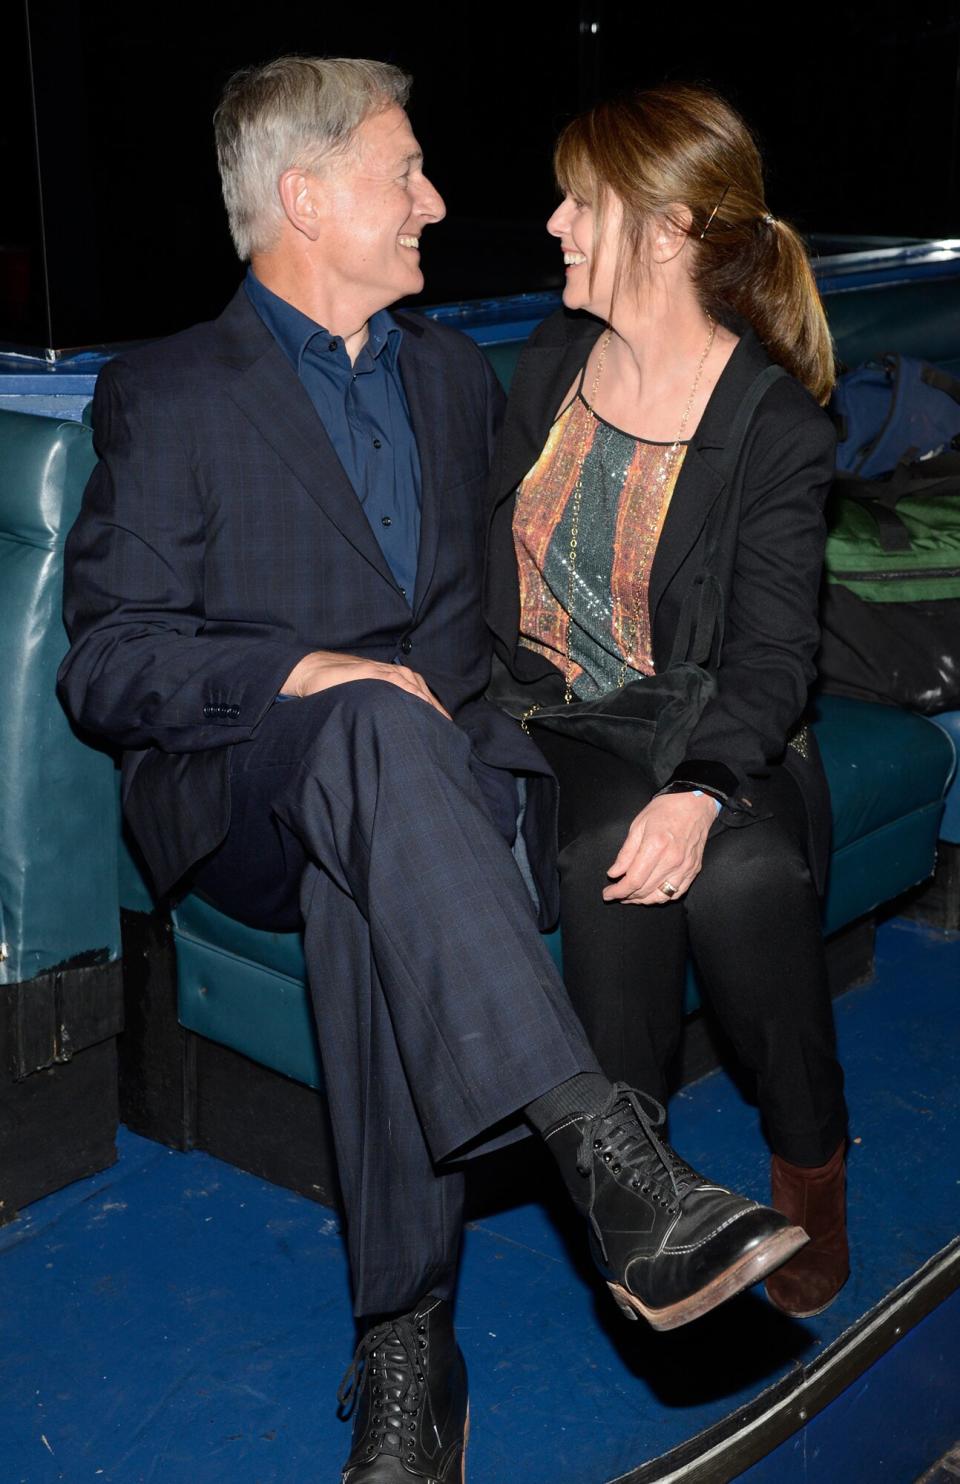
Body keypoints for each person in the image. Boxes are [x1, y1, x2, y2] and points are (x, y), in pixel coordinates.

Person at [57, 59, 803, 1484]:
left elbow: (573, 546)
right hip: (248, 794)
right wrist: (299, 672)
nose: (438, 203)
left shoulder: (459, 377)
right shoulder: (169, 392)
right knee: (362, 739)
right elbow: (107, 663)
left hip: (450, 792)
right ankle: (608, 1152)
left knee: (376, 851)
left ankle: (410, 1338)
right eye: (406, 173)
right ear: (306, 196)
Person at [485, 83, 849, 1323]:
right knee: (603, 851)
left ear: (668, 230)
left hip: (713, 725)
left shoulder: (774, 425)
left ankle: (813, 1171)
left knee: (741, 874)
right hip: (559, 719)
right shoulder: (546, 361)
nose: (554, 224)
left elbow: (771, 656)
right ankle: (636, 1191)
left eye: (582, 203)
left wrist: (701, 788)